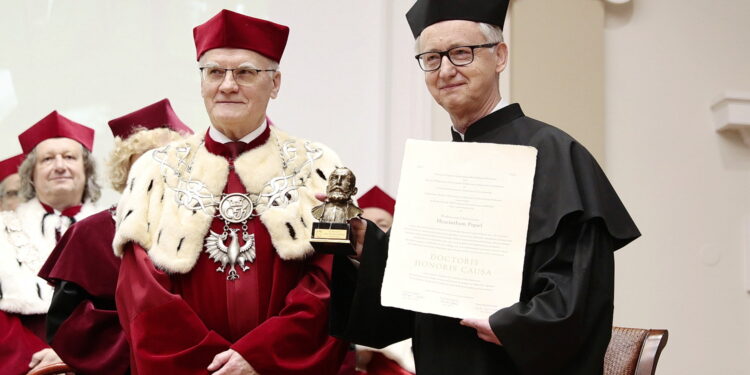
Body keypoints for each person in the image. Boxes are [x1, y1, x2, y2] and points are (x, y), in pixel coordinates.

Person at [329, 1, 642, 374]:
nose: (446, 70)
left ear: (499, 56)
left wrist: (513, 326)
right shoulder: (436, 170)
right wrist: (367, 245)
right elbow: (409, 299)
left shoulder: (557, 154)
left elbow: (581, 289)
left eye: (461, 53)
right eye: (431, 58)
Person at [113, 9, 348, 374]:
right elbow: (140, 290)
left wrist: (258, 356)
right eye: (215, 72)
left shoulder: (320, 166)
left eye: (245, 72)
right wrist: (211, 364)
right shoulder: (155, 170)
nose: (227, 85)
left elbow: (332, 276)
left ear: (276, 83)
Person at [37, 98, 193, 375]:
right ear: (127, 171)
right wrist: (146, 342)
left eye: (168, 161)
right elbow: (66, 324)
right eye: (145, 163)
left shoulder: (210, 226)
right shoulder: (89, 233)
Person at [0, 110, 100, 374]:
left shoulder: (116, 226)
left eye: (69, 157)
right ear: (30, 173)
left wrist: (77, 356)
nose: (59, 166)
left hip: (100, 359)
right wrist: (40, 360)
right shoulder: (2, 229)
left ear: (85, 168)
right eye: (47, 159)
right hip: (25, 363)